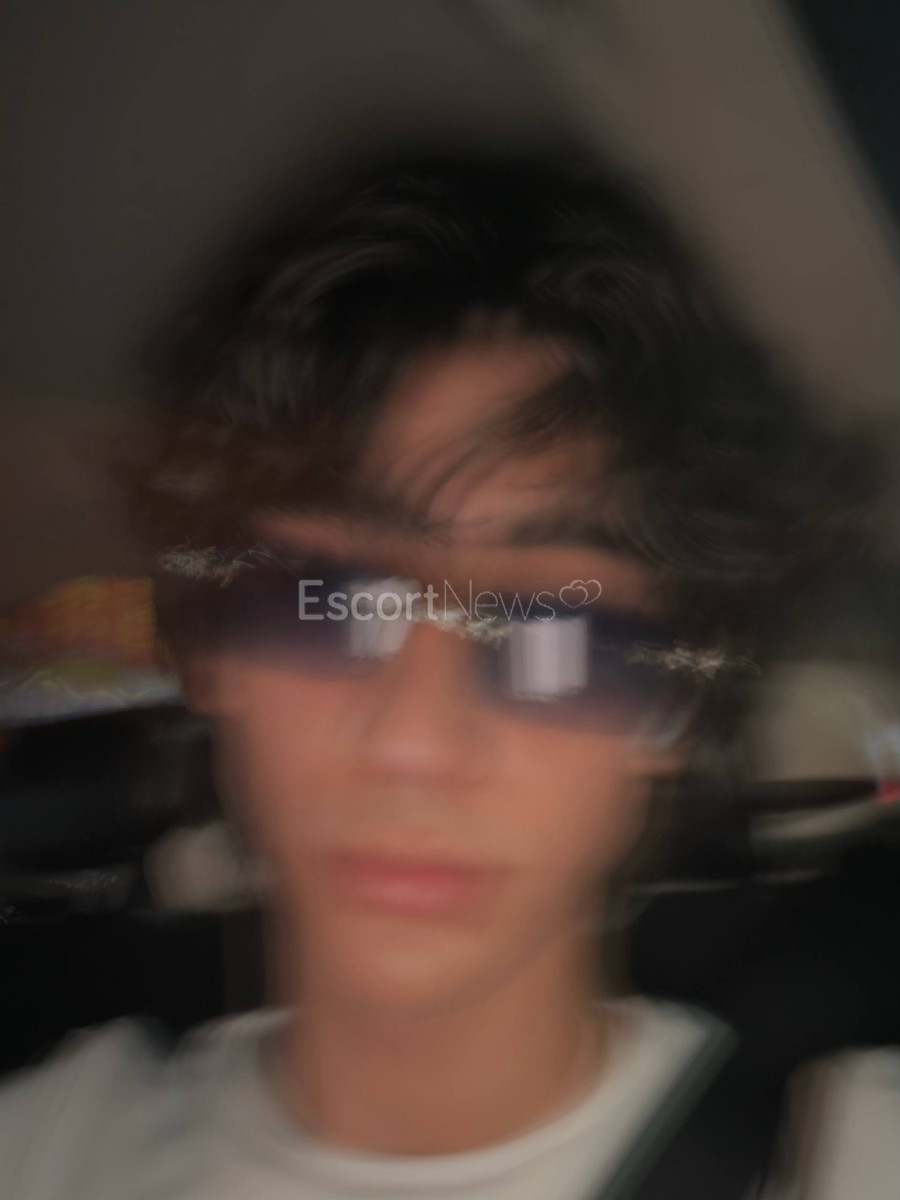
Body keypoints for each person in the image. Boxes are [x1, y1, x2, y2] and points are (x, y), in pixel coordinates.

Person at [0, 150, 885, 1199]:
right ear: (212, 654)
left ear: (670, 713)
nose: (412, 742)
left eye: (557, 635)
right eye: (322, 604)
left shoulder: (853, 1162)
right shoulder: (46, 1153)